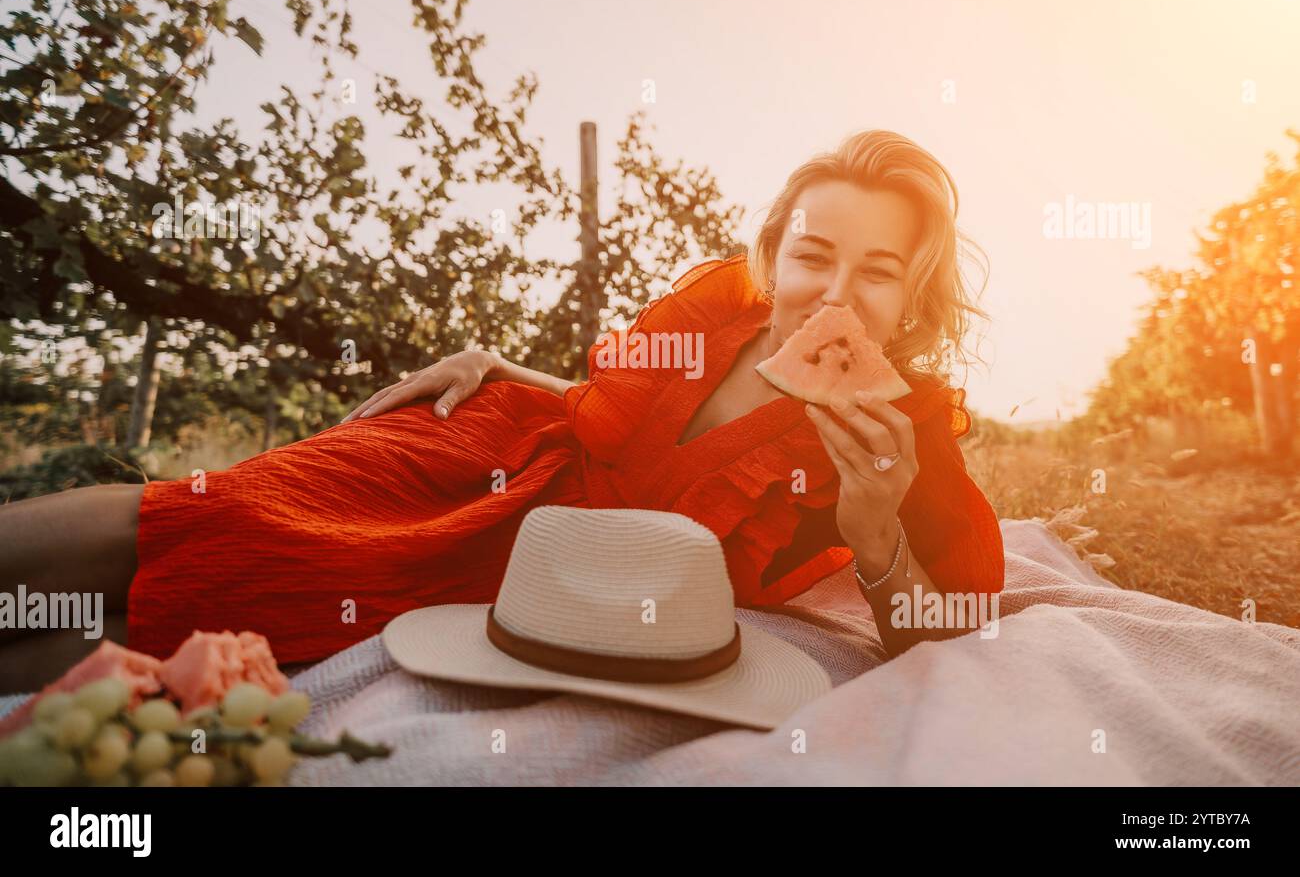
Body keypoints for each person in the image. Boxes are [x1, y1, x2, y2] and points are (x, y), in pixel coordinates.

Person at [0, 129, 1004, 691]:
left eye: (877, 272)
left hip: (551, 562)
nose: (834, 295)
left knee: (220, 594)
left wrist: (877, 539)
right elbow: (608, 408)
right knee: (199, 507)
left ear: (914, 294)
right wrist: (500, 363)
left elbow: (940, 627)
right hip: (487, 446)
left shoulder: (902, 432)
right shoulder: (712, 305)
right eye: (813, 255)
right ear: (776, 248)